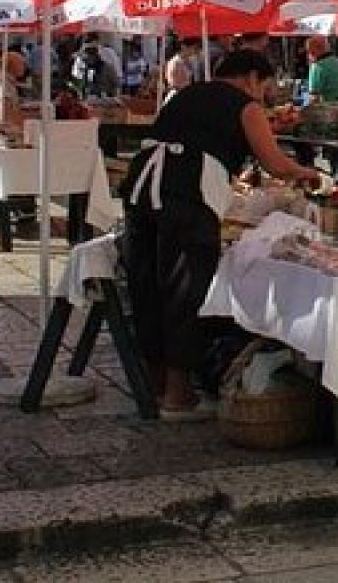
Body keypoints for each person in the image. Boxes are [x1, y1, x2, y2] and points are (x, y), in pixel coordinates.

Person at [121, 51, 320, 420]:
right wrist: (306, 173)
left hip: (141, 189)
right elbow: (274, 163)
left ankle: (155, 383)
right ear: (251, 78)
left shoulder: (187, 94)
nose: (263, 94)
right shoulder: (245, 106)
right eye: (264, 85)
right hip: (186, 194)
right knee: (186, 289)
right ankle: (178, 396)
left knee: (147, 284)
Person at [303, 36, 338, 106]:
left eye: (309, 51)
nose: (308, 55)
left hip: (328, 113)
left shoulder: (317, 67)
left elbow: (314, 98)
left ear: (314, 51)